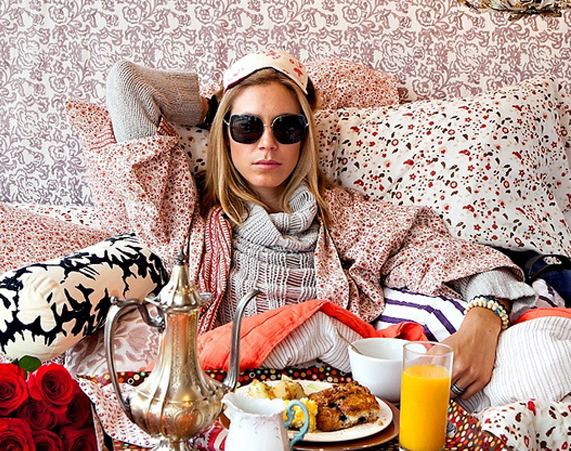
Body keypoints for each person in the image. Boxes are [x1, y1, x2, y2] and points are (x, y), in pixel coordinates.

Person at [105, 50, 542, 404]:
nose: (267, 143)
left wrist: (485, 318)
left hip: (340, 409)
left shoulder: (343, 217)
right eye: (247, 126)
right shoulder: (186, 221)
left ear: (305, 138)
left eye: (287, 127)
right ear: (224, 135)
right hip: (228, 405)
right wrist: (215, 107)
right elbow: (130, 84)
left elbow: (458, 257)